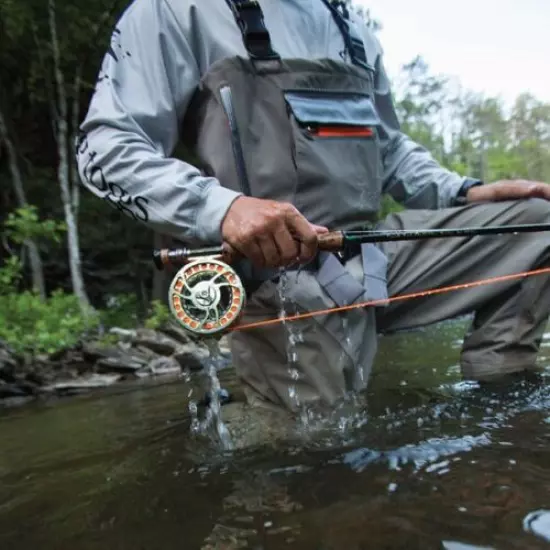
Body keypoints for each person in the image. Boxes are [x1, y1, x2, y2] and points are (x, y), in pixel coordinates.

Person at [77, 0, 550, 415]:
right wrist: (224, 209)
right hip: (273, 279)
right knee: (316, 460)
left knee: (539, 224)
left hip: (373, 257)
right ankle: (253, 414)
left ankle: (504, 396)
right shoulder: (173, 9)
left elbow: (386, 149)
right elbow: (104, 149)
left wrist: (463, 191)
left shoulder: (350, 24)